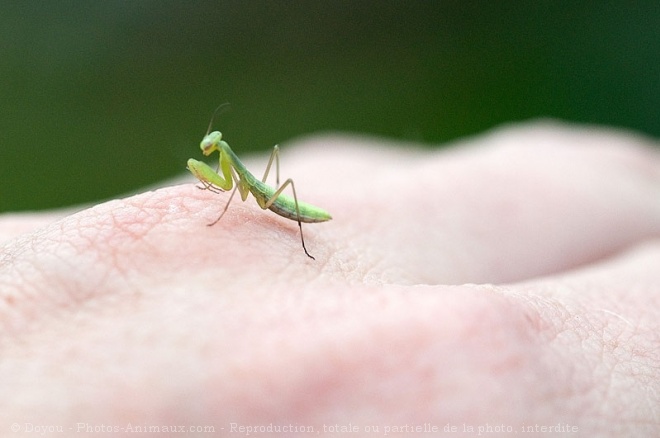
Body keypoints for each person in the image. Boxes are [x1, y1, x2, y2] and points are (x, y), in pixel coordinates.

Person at [1, 121, 658, 436]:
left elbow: (235, 193)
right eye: (210, 150)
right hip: (269, 199)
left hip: (290, 208)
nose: (207, 154)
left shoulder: (240, 178)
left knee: (270, 187)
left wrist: (239, 204)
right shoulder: (224, 164)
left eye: (211, 149)